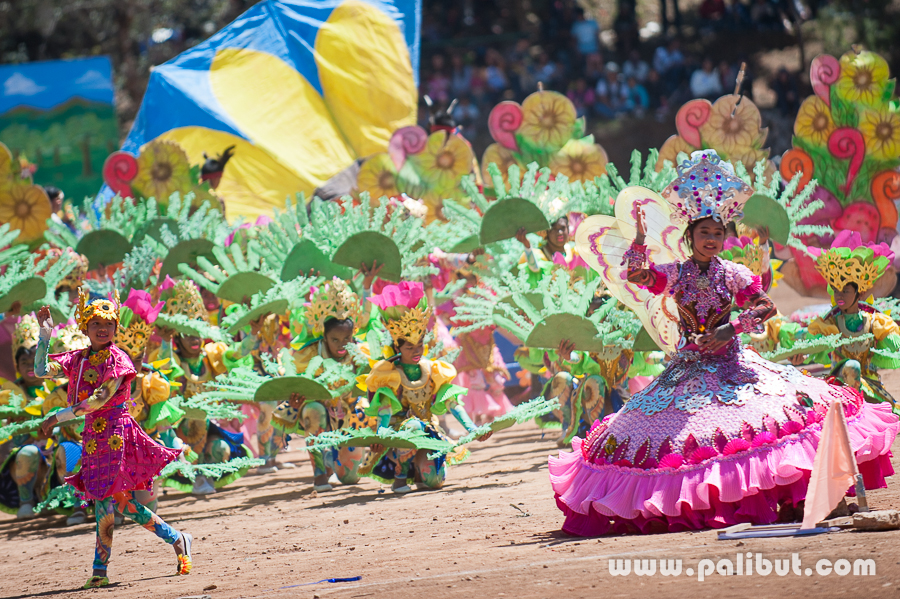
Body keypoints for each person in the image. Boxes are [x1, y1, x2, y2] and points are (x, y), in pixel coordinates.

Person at [552, 151, 899, 536]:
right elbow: (637, 276)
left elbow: (765, 307)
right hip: (686, 370)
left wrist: (730, 330)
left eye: (718, 234)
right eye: (705, 233)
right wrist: (637, 240)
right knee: (672, 441)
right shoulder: (675, 273)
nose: (712, 240)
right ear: (690, 236)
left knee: (764, 427)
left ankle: (790, 494)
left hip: (733, 366)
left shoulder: (733, 273)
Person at [35, 290, 191, 588]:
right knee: (122, 504)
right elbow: (41, 370)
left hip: (116, 434)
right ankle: (178, 538)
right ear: (85, 328)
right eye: (95, 323)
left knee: (105, 500)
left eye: (108, 324)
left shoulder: (118, 359)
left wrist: (56, 417)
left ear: (116, 328)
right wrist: (45, 335)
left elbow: (98, 400)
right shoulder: (77, 359)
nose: (102, 328)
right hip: (93, 436)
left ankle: (100, 571)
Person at [361, 282, 491, 494]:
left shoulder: (433, 370)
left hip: (429, 433)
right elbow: (384, 411)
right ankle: (400, 476)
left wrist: (472, 429)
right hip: (400, 437)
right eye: (409, 347)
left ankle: (419, 472)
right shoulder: (390, 374)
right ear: (397, 347)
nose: (416, 351)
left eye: (419, 345)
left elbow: (452, 403)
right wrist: (380, 436)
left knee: (434, 481)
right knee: (413, 426)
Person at [801, 231, 900, 415]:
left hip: (869, 387)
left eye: (845, 291)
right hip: (838, 388)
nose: (839, 295)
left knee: (891, 415)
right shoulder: (829, 323)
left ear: (859, 293)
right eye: (836, 290)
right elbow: (809, 346)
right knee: (850, 368)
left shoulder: (874, 322)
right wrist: (800, 353)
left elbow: (895, 345)